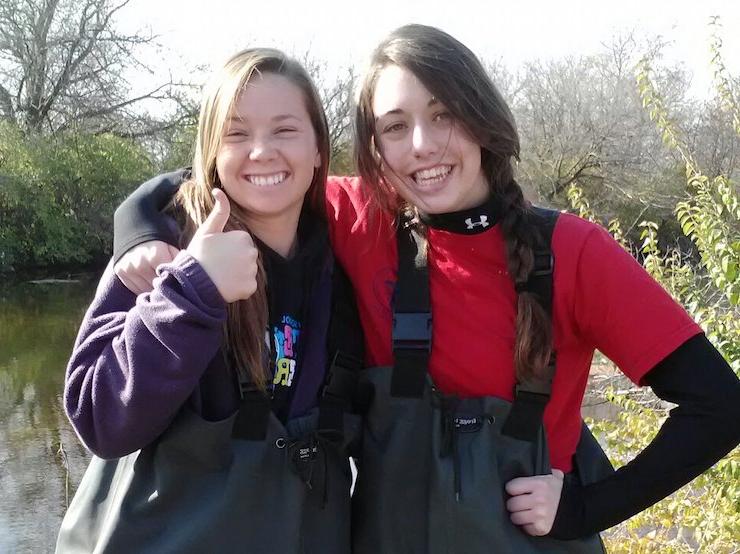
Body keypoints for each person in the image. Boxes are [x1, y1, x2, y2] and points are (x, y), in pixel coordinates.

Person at [111, 25, 740, 552]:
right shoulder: (359, 219)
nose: (422, 146)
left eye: (444, 115)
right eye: (394, 126)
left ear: (483, 118)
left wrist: (587, 508)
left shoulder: (573, 252)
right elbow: (242, 172)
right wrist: (138, 235)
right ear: (371, 147)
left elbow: (720, 405)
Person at [56, 48, 363, 554]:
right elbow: (98, 418)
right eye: (237, 134)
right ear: (211, 153)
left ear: (318, 150)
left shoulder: (346, 258)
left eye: (285, 130)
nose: (261, 151)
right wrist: (191, 291)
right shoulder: (161, 250)